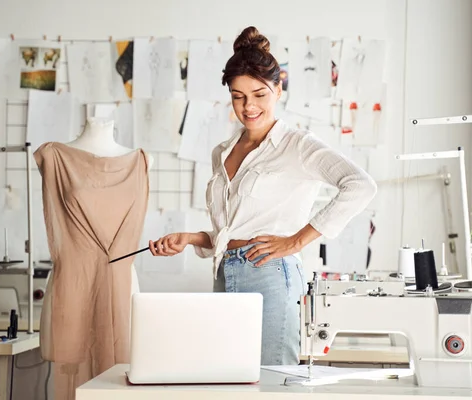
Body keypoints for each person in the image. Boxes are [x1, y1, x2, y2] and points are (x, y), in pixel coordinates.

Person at [149, 26, 377, 365]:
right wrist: (191, 237)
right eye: (238, 96)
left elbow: (361, 185)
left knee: (272, 382)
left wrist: (296, 241)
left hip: (272, 274)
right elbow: (236, 229)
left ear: (278, 89)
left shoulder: (297, 145)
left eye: (259, 94)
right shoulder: (222, 152)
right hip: (225, 271)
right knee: (232, 377)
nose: (248, 106)